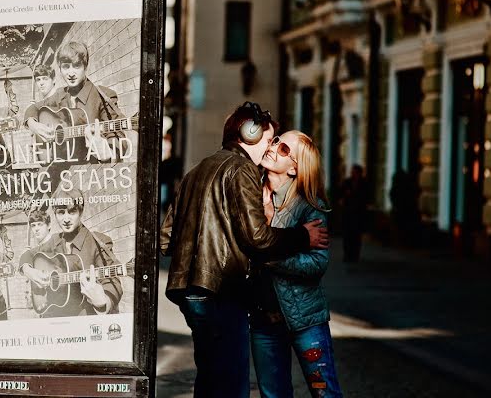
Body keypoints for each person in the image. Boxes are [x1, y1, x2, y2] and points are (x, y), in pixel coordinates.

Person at [159, 101, 330, 398]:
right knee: (232, 385)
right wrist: (301, 237)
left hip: (190, 292)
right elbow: (258, 239)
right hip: (222, 291)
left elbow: (165, 240)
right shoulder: (241, 169)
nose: (269, 146)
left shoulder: (197, 170)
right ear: (248, 134)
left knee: (210, 377)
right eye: (269, 138)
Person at [250, 130, 343, 398]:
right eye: (276, 140)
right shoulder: (249, 196)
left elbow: (316, 264)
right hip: (262, 319)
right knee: (273, 395)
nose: (273, 146)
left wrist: (269, 258)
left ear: (294, 169)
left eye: (284, 149)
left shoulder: (309, 207)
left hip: (304, 319)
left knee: (325, 394)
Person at [22, 189, 123, 316]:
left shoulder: (99, 241)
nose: (66, 219)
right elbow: (29, 255)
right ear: (55, 214)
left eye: (72, 211)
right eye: (61, 212)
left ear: (80, 211)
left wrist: (103, 302)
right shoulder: (54, 241)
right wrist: (28, 271)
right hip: (56, 318)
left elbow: (113, 281)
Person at [27, 41, 124, 160]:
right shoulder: (59, 95)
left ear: (85, 66)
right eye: (66, 66)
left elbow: (119, 138)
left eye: (77, 65)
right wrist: (33, 125)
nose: (71, 73)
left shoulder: (103, 95)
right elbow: (34, 108)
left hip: (96, 170)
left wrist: (108, 152)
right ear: (60, 68)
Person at [340, 164, 371, 262]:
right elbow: (340, 194)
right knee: (347, 236)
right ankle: (347, 255)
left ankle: (355, 255)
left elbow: (366, 197)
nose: (353, 173)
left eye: (355, 172)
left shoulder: (364, 183)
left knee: (356, 236)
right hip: (348, 213)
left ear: (359, 173)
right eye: (353, 171)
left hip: (358, 214)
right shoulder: (347, 182)